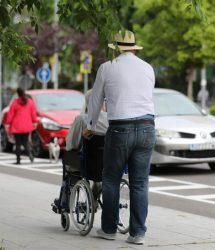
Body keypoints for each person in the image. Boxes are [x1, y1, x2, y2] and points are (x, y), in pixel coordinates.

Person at [83, 30, 156, 245]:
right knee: (140, 183)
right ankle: (137, 234)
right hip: (147, 126)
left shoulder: (107, 68)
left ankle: (108, 229)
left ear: (115, 48)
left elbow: (95, 100)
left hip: (120, 129)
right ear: (134, 47)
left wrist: (90, 126)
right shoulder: (148, 68)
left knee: (111, 179)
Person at [5, 87, 37, 164]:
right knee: (25, 142)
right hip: (27, 126)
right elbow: (33, 113)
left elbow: (10, 114)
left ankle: (18, 160)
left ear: (17, 94)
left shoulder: (15, 102)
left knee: (18, 144)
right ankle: (30, 155)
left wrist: (7, 123)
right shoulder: (30, 102)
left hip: (17, 126)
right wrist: (34, 122)